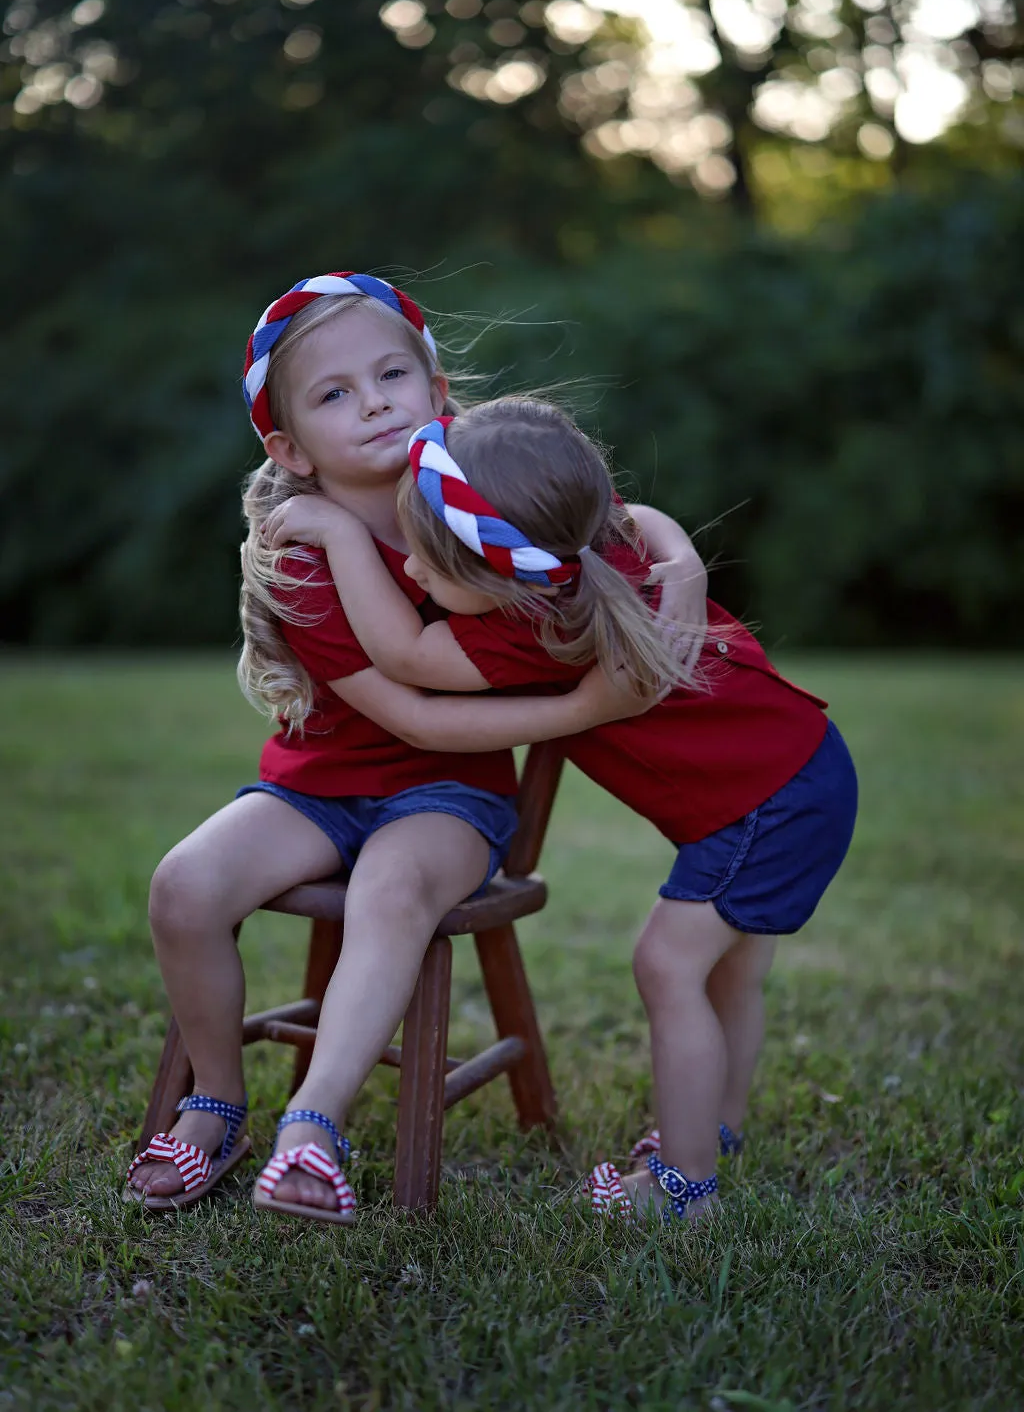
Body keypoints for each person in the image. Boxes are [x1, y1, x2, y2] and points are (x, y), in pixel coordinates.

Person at [126, 274, 706, 1224]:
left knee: (387, 892)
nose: (375, 401)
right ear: (291, 450)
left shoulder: (481, 492)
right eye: (335, 393)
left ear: (437, 391)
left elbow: (618, 519)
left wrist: (678, 565)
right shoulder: (298, 552)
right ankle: (217, 1103)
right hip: (321, 786)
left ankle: (313, 1124)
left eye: (392, 373)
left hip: (452, 795)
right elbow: (408, 710)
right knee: (184, 886)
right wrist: (583, 707)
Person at [263, 396, 859, 1223]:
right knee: (734, 969)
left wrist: (334, 533)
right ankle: (713, 1132)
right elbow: (634, 515)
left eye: (432, 567)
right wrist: (681, 555)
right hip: (801, 765)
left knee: (670, 965)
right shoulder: (579, 557)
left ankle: (686, 1188)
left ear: (497, 574)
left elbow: (401, 652)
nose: (411, 573)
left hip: (769, 801)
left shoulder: (529, 624)